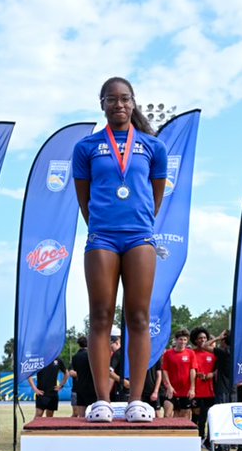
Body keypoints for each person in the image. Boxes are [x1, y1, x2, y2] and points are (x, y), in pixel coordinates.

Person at [73, 76, 167, 423]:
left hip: (139, 235)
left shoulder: (152, 147)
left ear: (133, 102)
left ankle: (138, 400)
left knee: (139, 317)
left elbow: (154, 196)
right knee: (100, 316)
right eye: (111, 99)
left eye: (125, 99)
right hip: (102, 237)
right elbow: (84, 198)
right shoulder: (87, 148)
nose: (119, 105)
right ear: (102, 103)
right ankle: (101, 400)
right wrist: (101, 224)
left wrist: (139, 221)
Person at [190, 327, 217, 444]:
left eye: (204, 338)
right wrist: (196, 374)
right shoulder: (192, 353)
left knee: (208, 417)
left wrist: (212, 374)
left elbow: (220, 369)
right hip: (196, 389)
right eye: (200, 338)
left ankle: (207, 440)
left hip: (210, 390)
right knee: (196, 416)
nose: (202, 340)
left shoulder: (213, 353)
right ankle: (197, 438)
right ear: (195, 340)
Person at [160, 330, 195, 419]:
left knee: (184, 417)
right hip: (171, 390)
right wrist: (169, 386)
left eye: (185, 340)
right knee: (167, 415)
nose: (182, 342)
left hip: (185, 391)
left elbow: (192, 370)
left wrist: (192, 388)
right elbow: (164, 371)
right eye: (180, 339)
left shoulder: (190, 353)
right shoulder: (168, 353)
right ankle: (167, 432)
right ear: (176, 340)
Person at [68, 336, 94, 419]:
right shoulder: (92, 356)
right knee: (92, 413)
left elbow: (71, 371)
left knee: (81, 415)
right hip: (92, 388)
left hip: (79, 387)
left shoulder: (75, 357)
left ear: (79, 345)